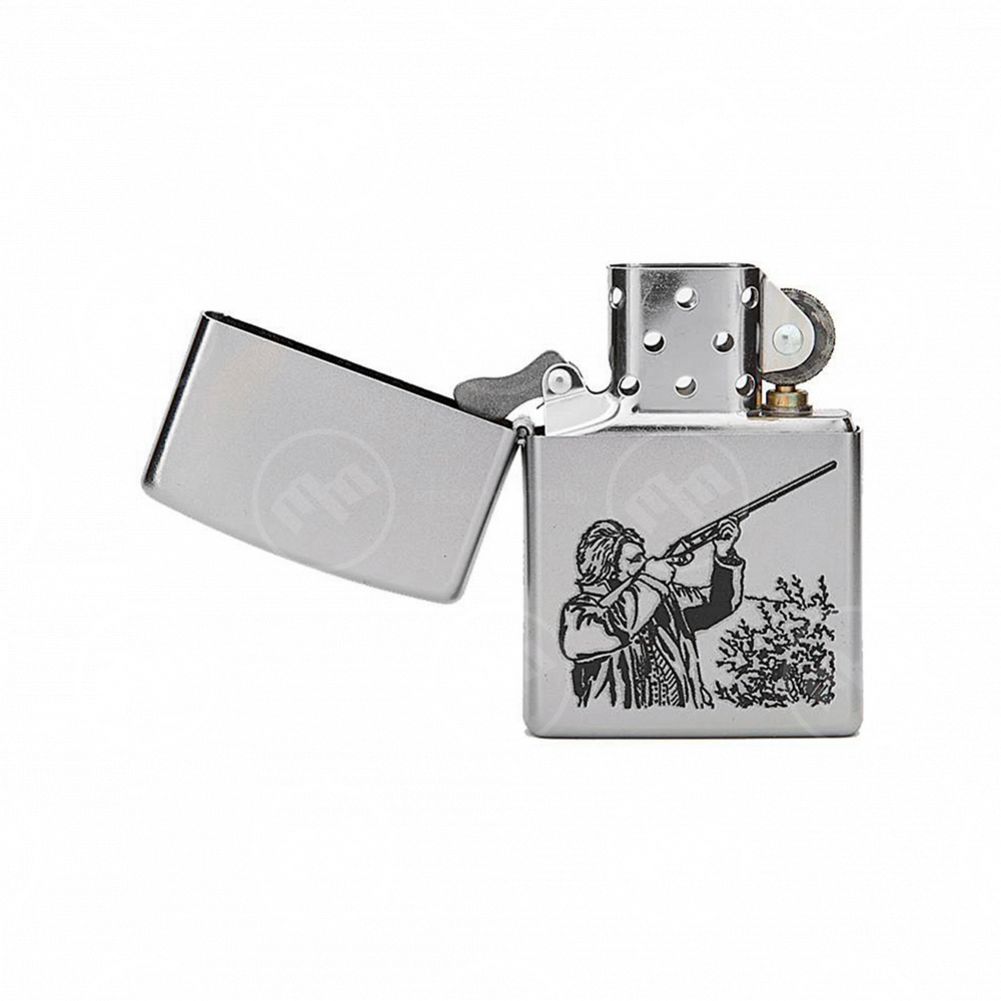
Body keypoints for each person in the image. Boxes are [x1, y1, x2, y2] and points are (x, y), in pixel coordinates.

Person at [559, 518, 744, 709]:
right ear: (607, 568)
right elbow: (604, 634)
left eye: (643, 558)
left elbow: (719, 604)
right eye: (634, 560)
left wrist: (724, 555)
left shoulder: (665, 598)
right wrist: (651, 581)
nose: (645, 564)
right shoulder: (581, 611)